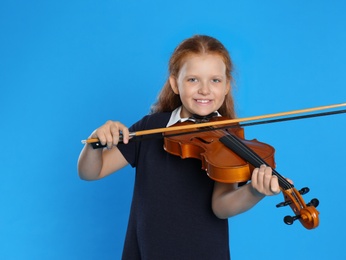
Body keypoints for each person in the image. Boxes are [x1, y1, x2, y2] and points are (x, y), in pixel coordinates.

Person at [78, 35, 282, 260]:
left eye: (215, 80)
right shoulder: (152, 128)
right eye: (193, 80)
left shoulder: (228, 136)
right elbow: (91, 172)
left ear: (226, 86)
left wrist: (254, 191)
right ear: (175, 83)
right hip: (147, 253)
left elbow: (221, 206)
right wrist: (95, 142)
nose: (204, 90)